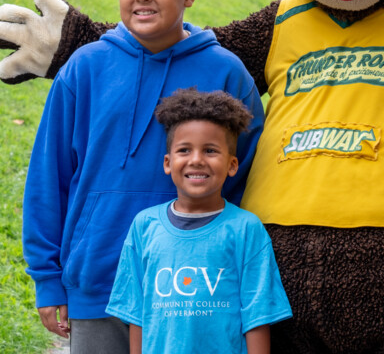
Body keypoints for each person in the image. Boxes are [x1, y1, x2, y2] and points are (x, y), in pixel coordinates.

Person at [22, 0, 265, 353]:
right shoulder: (84, 68)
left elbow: (246, 177)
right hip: (97, 280)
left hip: (189, 288)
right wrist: (48, 278)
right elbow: (48, 175)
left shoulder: (226, 72)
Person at [106, 89, 292, 354]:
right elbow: (136, 314)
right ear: (168, 163)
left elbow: (257, 317)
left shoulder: (245, 229)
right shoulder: (144, 226)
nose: (196, 160)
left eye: (210, 150)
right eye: (184, 150)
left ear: (232, 164)